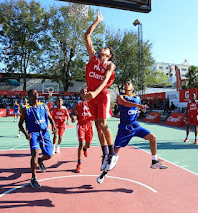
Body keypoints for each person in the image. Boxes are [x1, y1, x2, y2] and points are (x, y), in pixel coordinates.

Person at [97, 81, 167, 184]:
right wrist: (139, 106)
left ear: (133, 87)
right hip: (124, 128)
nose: (126, 84)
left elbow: (135, 109)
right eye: (125, 83)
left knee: (153, 138)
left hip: (135, 126)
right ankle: (104, 173)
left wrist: (138, 110)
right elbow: (125, 104)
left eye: (129, 83)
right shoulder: (121, 97)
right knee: (114, 155)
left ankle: (154, 161)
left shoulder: (137, 97)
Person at [84, 12, 118, 171]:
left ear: (109, 55)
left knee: (103, 124)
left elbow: (105, 81)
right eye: (102, 48)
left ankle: (112, 154)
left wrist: (95, 93)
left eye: (106, 49)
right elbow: (87, 35)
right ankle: (104, 154)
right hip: (91, 96)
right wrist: (97, 21)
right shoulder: (93, 58)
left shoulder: (110, 66)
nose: (103, 49)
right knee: (97, 126)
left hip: (102, 95)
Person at [18, 89, 56, 189]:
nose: (36, 93)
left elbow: (50, 118)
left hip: (44, 132)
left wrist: (53, 126)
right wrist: (26, 133)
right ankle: (33, 178)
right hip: (33, 134)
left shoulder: (44, 106)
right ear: (30, 96)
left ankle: (40, 160)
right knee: (35, 153)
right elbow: (20, 124)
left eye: (36, 92)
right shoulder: (26, 109)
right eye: (34, 93)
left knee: (49, 155)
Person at [70, 89, 94, 173]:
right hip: (81, 125)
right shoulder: (78, 103)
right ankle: (79, 164)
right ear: (80, 94)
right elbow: (72, 113)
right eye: (82, 92)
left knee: (88, 144)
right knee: (81, 143)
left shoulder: (92, 102)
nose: (84, 93)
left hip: (90, 125)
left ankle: (85, 148)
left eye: (85, 91)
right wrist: (72, 117)